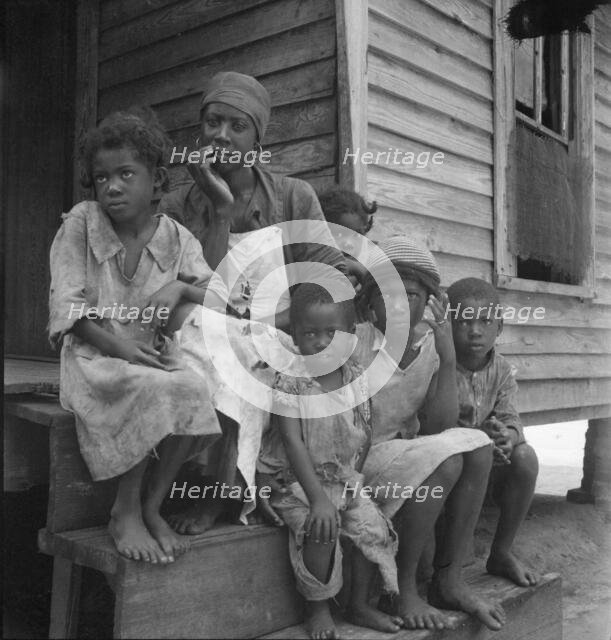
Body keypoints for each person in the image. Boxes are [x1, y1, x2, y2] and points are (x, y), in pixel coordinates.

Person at [261, 235, 506, 631]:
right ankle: (404, 590)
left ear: (429, 301)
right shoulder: (350, 339)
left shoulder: (431, 347)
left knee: (478, 447)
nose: (396, 305)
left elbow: (441, 426)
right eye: (385, 294)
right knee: (445, 462)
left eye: (409, 295)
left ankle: (450, 577)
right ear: (369, 302)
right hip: (351, 460)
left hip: (396, 458)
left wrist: (447, 358)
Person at [159, 71, 347, 534]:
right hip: (206, 325)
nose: (221, 135)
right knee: (210, 345)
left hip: (279, 329)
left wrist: (274, 319)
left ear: (257, 139)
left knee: (245, 351)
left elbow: (328, 277)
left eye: (236, 126)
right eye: (212, 122)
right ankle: (201, 490)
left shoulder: (292, 196)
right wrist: (220, 209)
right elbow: (198, 290)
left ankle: (222, 497)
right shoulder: (180, 205)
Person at [48, 108, 228, 564]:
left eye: (126, 173)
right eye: (102, 176)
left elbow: (221, 294)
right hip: (95, 355)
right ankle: (124, 509)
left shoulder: (176, 236)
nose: (112, 186)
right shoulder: (81, 224)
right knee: (154, 385)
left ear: (159, 180)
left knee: (195, 384)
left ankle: (153, 504)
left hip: (149, 355)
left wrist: (182, 286)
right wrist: (122, 347)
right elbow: (68, 307)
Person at [271, 282, 403, 639]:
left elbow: (365, 431)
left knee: (371, 526)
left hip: (344, 480)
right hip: (299, 484)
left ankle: (359, 604)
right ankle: (317, 607)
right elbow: (292, 440)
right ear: (294, 335)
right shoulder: (291, 380)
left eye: (332, 332)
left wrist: (353, 486)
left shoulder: (356, 377)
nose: (322, 341)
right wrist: (317, 498)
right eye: (310, 333)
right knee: (322, 526)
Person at [446, 277, 539, 587]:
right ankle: (447, 569)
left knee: (525, 457)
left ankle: (501, 552)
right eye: (464, 321)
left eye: (485, 321)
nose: (475, 330)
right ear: (448, 323)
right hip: (449, 468)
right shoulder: (438, 365)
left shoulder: (502, 371)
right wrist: (474, 436)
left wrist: (505, 436)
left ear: (499, 327)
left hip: (489, 465)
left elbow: (512, 419)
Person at [318, 187, 377, 288]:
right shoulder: (314, 267)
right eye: (340, 235)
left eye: (357, 235)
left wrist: (361, 273)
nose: (349, 244)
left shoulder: (369, 268)